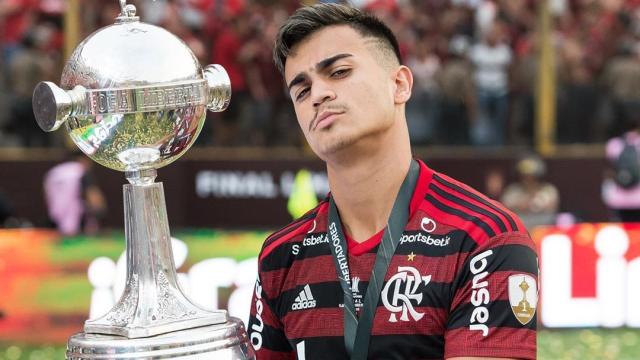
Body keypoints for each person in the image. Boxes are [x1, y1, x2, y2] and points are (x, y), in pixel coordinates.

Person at [248, 4, 537, 360]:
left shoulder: (483, 237)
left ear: (399, 84)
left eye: (338, 72)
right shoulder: (280, 257)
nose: (318, 95)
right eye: (302, 91)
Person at [43, 151, 107, 236]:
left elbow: (46, 193)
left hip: (55, 215)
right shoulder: (80, 170)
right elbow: (92, 194)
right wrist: (99, 210)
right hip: (77, 217)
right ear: (83, 159)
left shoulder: (54, 172)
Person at [500, 155, 559, 229]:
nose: (527, 178)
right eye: (524, 175)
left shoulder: (548, 190)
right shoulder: (512, 191)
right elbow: (505, 210)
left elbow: (551, 208)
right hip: (519, 231)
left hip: (542, 230)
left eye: (531, 175)